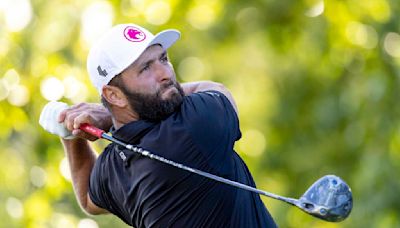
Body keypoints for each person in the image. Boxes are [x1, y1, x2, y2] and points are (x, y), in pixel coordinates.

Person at [39, 23, 277, 227]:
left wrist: (69, 135)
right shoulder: (194, 126)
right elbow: (218, 90)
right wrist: (105, 115)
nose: (164, 73)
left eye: (163, 58)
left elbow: (88, 200)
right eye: (145, 69)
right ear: (113, 95)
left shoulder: (113, 167)